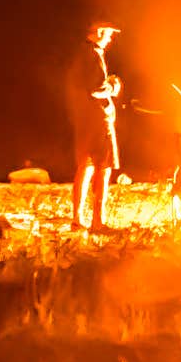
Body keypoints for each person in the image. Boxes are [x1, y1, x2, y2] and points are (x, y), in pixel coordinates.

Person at [64, 23, 123, 232]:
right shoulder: (93, 55)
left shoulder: (82, 54)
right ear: (98, 32)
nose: (110, 38)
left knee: (85, 167)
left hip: (85, 120)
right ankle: (98, 222)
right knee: (103, 169)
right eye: (109, 34)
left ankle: (77, 220)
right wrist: (115, 86)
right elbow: (97, 89)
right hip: (99, 121)